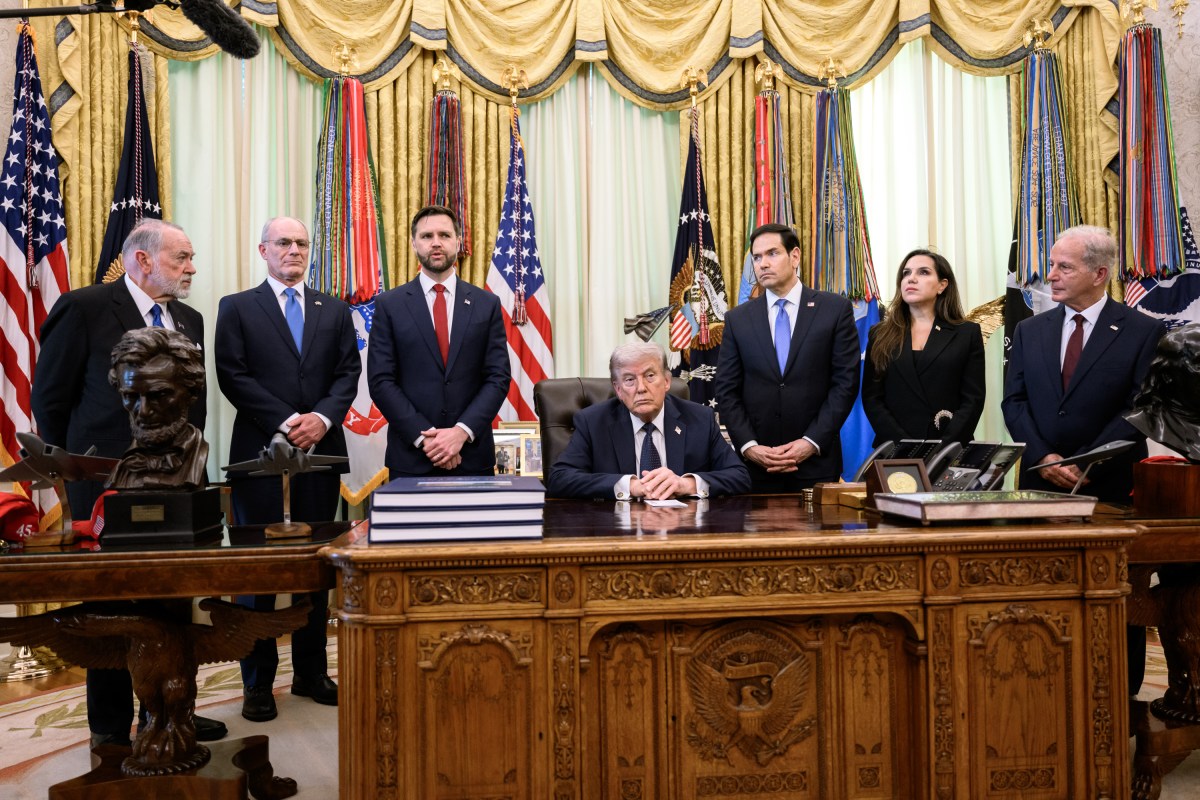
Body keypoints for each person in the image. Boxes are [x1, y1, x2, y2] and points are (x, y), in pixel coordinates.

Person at [30, 219, 226, 747]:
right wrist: (77, 471)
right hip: (105, 484)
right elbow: (50, 398)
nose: (191, 268)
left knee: (172, 597)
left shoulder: (189, 318)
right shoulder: (85, 307)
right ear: (143, 259)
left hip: (176, 483)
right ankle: (111, 728)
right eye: (182, 257)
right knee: (112, 604)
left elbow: (195, 404)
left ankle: (168, 710)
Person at [1002, 223, 1164, 694]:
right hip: (1040, 484)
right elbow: (1014, 402)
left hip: (1108, 488)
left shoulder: (1142, 330)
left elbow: (1142, 407)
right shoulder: (1030, 330)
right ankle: (1044, 690)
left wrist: (1087, 461)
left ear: (1099, 274)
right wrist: (1044, 455)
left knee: (1113, 597)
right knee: (1042, 597)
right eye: (1052, 264)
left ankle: (1122, 695)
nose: (1050, 275)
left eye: (1064, 267)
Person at [214, 216, 360, 722]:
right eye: (283, 242)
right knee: (257, 572)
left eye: (300, 242)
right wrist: (286, 420)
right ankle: (257, 683)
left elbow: (348, 373)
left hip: (321, 454)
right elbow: (231, 374)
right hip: (259, 453)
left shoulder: (333, 309)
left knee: (313, 568)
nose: (293, 250)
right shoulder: (236, 307)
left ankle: (311, 673)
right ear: (264, 250)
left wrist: (321, 419)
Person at [714, 222, 861, 491]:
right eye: (757, 257)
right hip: (756, 468)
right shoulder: (738, 319)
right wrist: (749, 446)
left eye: (772, 253)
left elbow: (845, 384)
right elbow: (726, 390)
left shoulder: (834, 310)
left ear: (795, 257)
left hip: (816, 464)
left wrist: (811, 442)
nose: (762, 264)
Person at [368, 205, 510, 477]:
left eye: (444, 235)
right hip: (412, 458)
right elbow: (381, 381)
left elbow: (498, 377)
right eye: (427, 236)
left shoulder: (486, 304)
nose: (436, 242)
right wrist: (427, 439)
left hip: (471, 456)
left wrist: (460, 433)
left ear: (458, 241)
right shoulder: (389, 305)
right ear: (414, 243)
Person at [548, 343, 750, 499]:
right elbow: (559, 478)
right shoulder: (593, 422)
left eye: (650, 376)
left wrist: (686, 484)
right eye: (629, 380)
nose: (641, 388)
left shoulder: (700, 419)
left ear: (667, 381)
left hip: (683, 531)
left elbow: (739, 476)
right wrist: (628, 486)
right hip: (617, 532)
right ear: (618, 390)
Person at [861, 249, 985, 446]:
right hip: (895, 451)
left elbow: (973, 399)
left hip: (949, 450)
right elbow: (872, 398)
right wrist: (905, 446)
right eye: (906, 273)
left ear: (942, 285)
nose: (911, 278)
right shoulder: (880, 334)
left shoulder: (966, 333)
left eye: (923, 272)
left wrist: (943, 447)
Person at [106, 327, 208, 490]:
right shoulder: (124, 468)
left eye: (159, 395)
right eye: (131, 396)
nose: (144, 411)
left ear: (191, 393)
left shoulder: (197, 457)